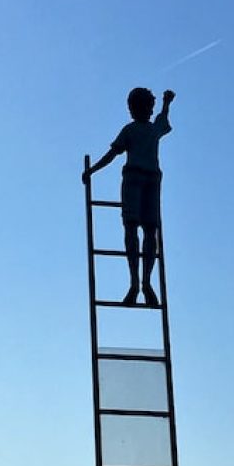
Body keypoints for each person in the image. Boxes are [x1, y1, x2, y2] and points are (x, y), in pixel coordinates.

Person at [83, 87, 175, 305]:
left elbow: (163, 121)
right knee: (132, 229)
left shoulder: (152, 129)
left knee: (150, 232)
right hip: (134, 180)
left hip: (151, 180)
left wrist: (166, 103)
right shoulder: (130, 130)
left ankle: (145, 282)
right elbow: (113, 153)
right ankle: (135, 282)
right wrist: (93, 170)